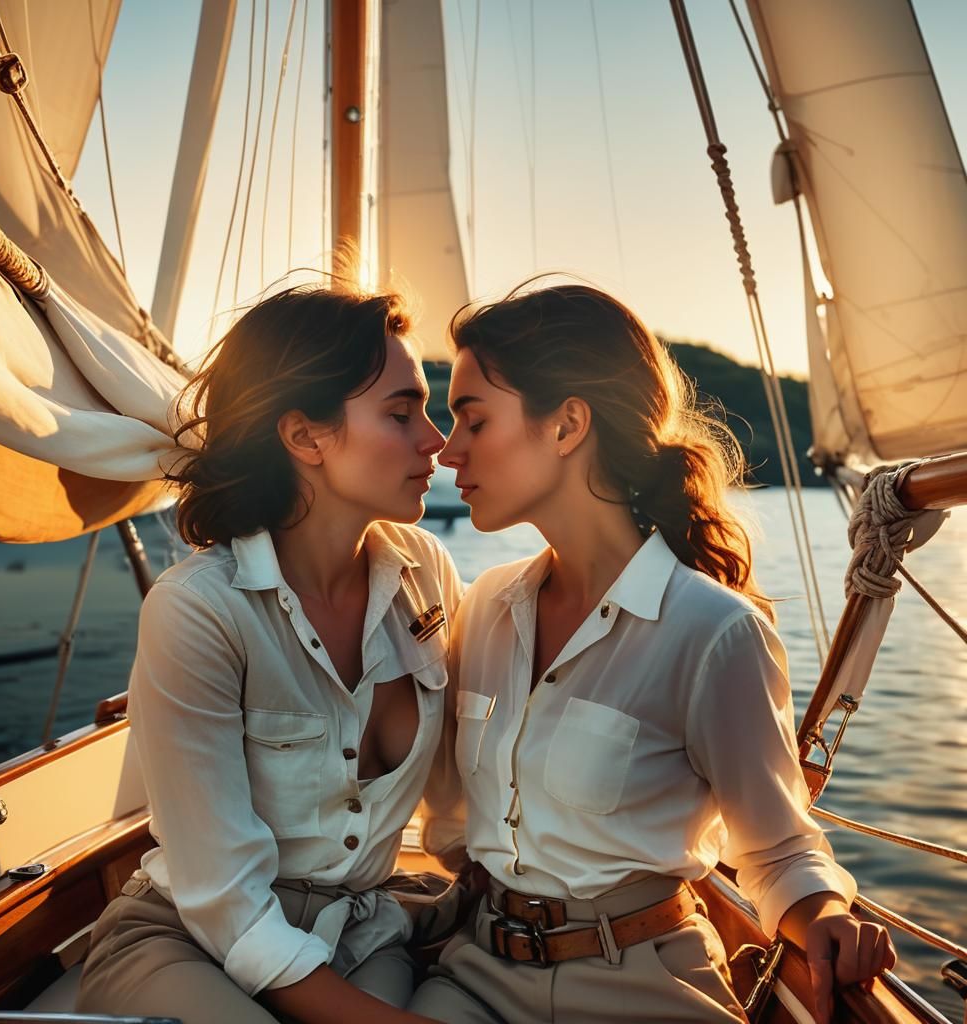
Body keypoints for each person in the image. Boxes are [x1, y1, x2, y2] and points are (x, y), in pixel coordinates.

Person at [410, 282, 895, 1024]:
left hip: (641, 985)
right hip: (475, 975)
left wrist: (823, 910)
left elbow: (775, 848)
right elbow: (444, 813)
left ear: (568, 424)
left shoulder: (714, 633)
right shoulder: (485, 610)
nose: (448, 450)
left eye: (472, 420)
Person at [77, 280, 462, 1024]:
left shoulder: (425, 573)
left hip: (362, 933)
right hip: (189, 940)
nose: (434, 439)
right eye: (400, 411)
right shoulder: (199, 609)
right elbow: (226, 902)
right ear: (305, 436)